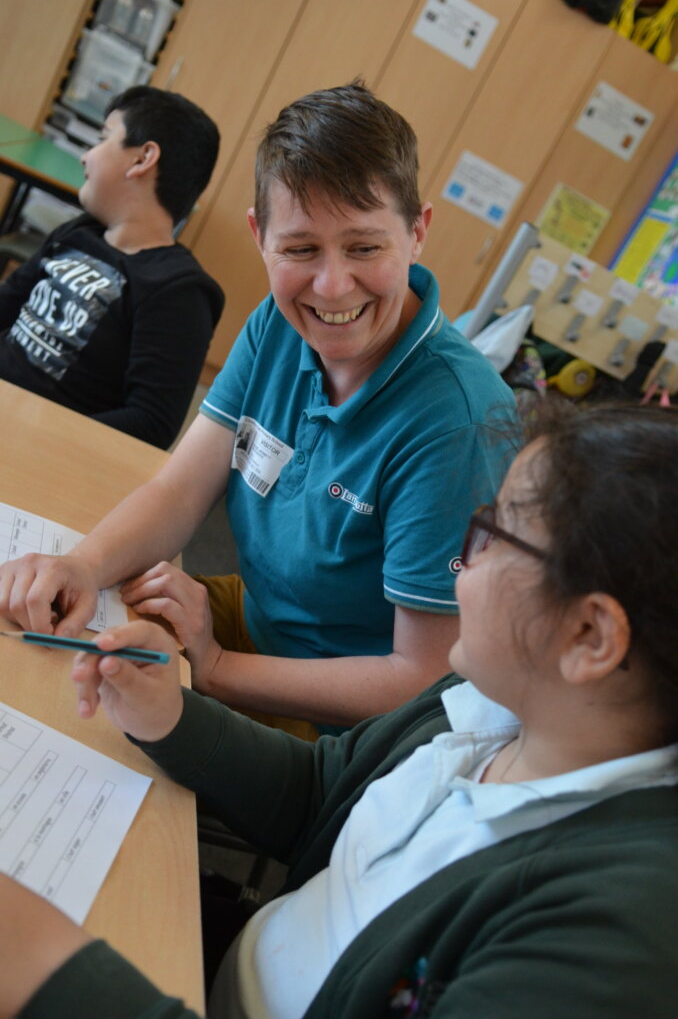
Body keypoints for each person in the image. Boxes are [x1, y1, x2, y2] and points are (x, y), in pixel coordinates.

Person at [2, 401, 677, 1019]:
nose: (459, 565)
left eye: (495, 535)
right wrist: (170, 716)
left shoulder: (613, 934)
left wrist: (48, 969)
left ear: (589, 637)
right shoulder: (490, 709)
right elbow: (322, 794)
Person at [0, 82, 517, 733]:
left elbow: (415, 679)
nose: (332, 287)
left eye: (364, 247)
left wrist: (215, 666)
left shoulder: (456, 422)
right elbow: (180, 491)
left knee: (103, 737)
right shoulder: (277, 321)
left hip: (340, 718)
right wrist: (83, 564)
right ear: (259, 235)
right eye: (300, 250)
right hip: (255, 616)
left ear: (417, 233)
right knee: (51, 655)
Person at [0, 85, 225, 450]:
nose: (85, 157)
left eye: (103, 139)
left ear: (142, 159)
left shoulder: (178, 290)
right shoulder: (78, 231)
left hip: (34, 446)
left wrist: (32, 429)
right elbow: (7, 303)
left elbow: (150, 422)